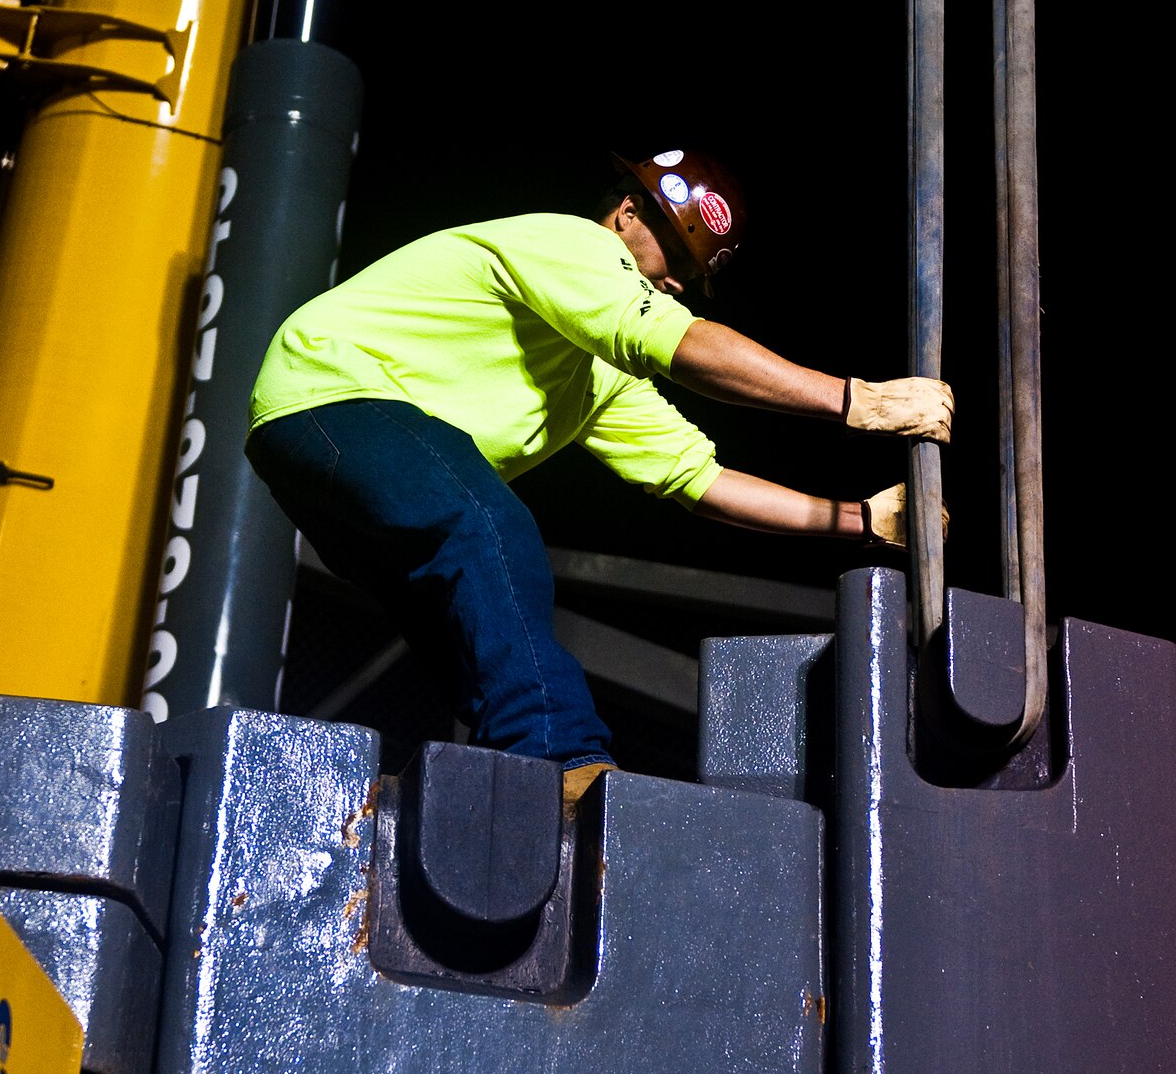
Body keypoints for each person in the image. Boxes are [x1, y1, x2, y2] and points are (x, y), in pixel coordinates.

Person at [245, 148, 952, 799]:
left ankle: (471, 793)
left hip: (326, 457)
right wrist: (861, 401)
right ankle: (560, 763)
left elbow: (699, 481)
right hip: (329, 392)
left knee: (470, 635)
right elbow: (679, 343)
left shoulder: (599, 379)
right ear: (626, 213)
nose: (676, 280)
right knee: (487, 525)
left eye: (692, 274)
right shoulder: (571, 244)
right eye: (674, 251)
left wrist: (859, 520)